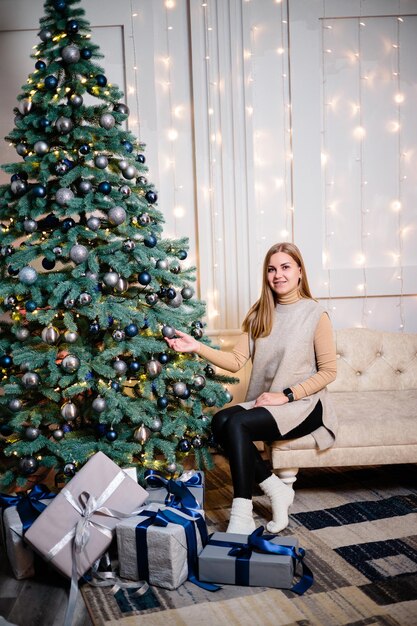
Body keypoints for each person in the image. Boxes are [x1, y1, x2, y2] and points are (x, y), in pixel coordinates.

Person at [165, 242, 337, 534]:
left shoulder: (315, 314)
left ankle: (241, 511)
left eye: (285, 267)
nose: (278, 275)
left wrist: (286, 396)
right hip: (268, 402)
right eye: (272, 269)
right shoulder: (260, 314)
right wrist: (196, 347)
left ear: (299, 271)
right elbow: (234, 361)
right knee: (220, 421)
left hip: (304, 405)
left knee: (238, 425)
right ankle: (276, 490)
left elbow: (329, 372)